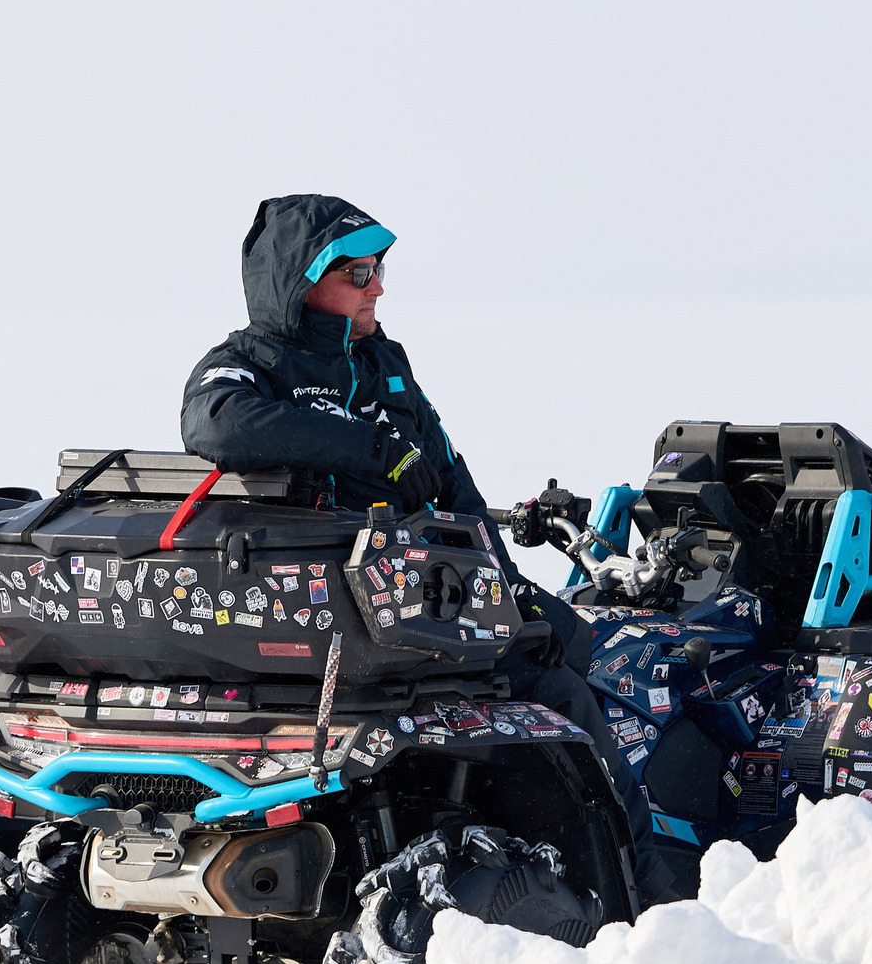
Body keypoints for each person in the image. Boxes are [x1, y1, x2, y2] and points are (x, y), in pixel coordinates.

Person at [181, 194, 680, 903]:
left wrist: (510, 590)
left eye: (379, 268)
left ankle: (613, 876)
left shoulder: (385, 366)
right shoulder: (246, 364)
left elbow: (454, 485)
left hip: (422, 602)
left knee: (570, 645)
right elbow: (216, 424)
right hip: (325, 620)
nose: (377, 285)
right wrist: (370, 451)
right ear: (300, 283)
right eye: (357, 272)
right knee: (564, 695)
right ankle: (639, 904)